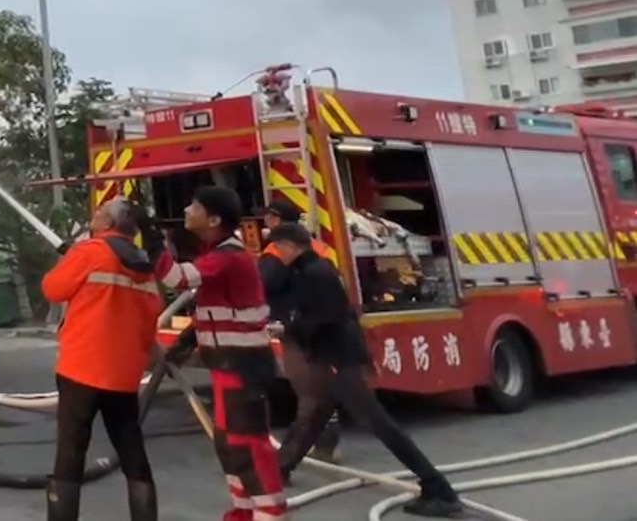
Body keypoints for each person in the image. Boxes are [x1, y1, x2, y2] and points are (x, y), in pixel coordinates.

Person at [265, 223, 465, 517]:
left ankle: (438, 488)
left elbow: (327, 318)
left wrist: (287, 328)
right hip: (331, 357)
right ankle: (281, 467)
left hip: (338, 359)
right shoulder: (313, 272)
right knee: (317, 410)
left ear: (290, 246)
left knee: (377, 422)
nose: (277, 253)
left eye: (278, 246)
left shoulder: (315, 274)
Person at [155, 185, 287, 521]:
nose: (186, 209)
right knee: (229, 443)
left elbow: (177, 279)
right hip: (228, 366)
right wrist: (184, 346)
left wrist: (150, 240)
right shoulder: (218, 253)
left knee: (248, 443)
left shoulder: (229, 256)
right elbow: (211, 311)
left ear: (213, 218)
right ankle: (243, 510)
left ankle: (271, 513)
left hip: (243, 366)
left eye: (194, 206)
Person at [41, 198, 168, 521]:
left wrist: (74, 255)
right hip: (124, 376)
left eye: (98, 214)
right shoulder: (144, 265)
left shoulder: (90, 252)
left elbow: (52, 289)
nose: (93, 218)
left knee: (70, 450)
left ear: (109, 224)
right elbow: (150, 316)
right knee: (131, 449)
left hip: (81, 368)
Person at [257, 202, 342, 465]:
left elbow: (265, 284)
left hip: (297, 329)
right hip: (325, 329)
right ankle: (324, 445)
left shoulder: (276, 251)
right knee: (322, 393)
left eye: (268, 217)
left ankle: (285, 462)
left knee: (309, 394)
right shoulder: (320, 248)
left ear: (276, 220)